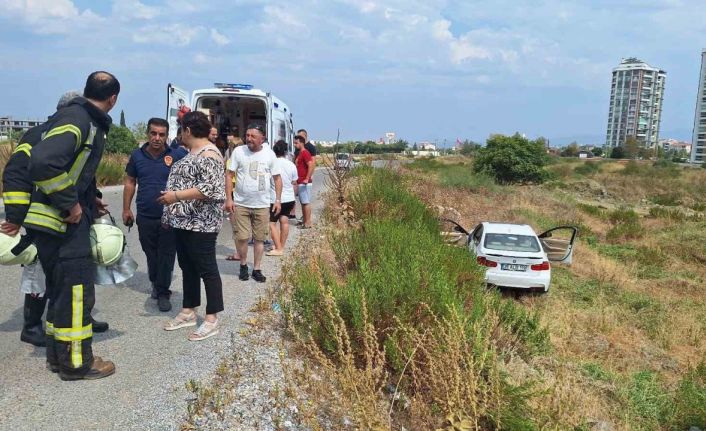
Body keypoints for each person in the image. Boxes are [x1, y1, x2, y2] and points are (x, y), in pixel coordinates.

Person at [23, 71, 120, 380]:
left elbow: (73, 169)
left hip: (53, 224)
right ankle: (77, 363)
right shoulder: (82, 120)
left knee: (61, 291)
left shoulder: (75, 117)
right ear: (113, 99)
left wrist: (90, 200)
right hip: (62, 223)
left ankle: (57, 357)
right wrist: (72, 203)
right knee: (77, 293)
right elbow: (42, 161)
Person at [1, 90, 108, 347]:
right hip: (46, 218)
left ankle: (81, 316)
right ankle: (31, 325)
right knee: (40, 271)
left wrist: (92, 198)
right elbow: (15, 174)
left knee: (77, 271)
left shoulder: (81, 131)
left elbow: (82, 172)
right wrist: (15, 217)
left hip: (74, 216)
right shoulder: (40, 134)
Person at [159, 111, 226, 341]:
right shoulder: (192, 152)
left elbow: (212, 190)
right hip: (184, 221)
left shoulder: (210, 154)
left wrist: (175, 196)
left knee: (206, 268)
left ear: (188, 130)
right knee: (187, 266)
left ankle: (212, 318)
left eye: (181, 130)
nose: (180, 134)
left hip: (202, 223)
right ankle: (189, 310)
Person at [122, 118, 186, 312]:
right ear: (148, 134)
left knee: (166, 255)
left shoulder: (177, 155)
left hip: (170, 216)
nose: (157, 138)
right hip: (145, 215)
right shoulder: (137, 156)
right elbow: (130, 182)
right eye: (153, 133)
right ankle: (156, 283)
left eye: (161, 134)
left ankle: (163, 291)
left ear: (167, 136)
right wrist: (126, 208)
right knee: (151, 254)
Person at [224, 124, 282, 282]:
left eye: (253, 136)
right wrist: (229, 199)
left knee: (259, 239)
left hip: (262, 205)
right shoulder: (238, 152)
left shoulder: (269, 155)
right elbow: (229, 175)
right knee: (242, 237)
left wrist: (277, 200)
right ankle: (243, 265)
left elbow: (277, 178)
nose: (248, 139)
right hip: (241, 203)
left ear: (262, 138)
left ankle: (256, 268)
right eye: (247, 135)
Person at [266, 140, 298, 257]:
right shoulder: (291, 164)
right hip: (289, 198)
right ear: (285, 151)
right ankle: (281, 245)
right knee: (284, 222)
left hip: (275, 198)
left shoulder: (272, 164)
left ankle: (278, 248)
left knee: (271, 223)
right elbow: (294, 181)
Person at [224, 133, 244, 262]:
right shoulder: (245, 159)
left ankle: (239, 253)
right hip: (244, 195)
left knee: (236, 228)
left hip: (234, 194)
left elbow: (228, 180)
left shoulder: (230, 162)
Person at [294, 135, 315, 229]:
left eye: (296, 143)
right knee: (303, 202)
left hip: (304, 182)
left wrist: (307, 178)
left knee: (306, 202)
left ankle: (308, 223)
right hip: (301, 182)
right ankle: (304, 221)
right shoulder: (300, 153)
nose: (295, 144)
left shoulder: (305, 152)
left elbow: (311, 165)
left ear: (302, 143)